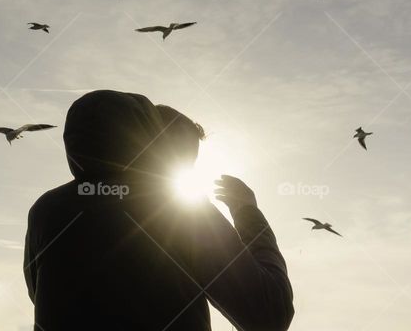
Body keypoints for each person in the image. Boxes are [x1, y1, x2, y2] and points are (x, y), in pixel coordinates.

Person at [24, 90, 294, 331]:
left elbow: (45, 295)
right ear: (148, 142)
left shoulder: (45, 211)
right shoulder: (182, 214)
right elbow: (269, 317)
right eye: (183, 159)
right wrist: (246, 211)